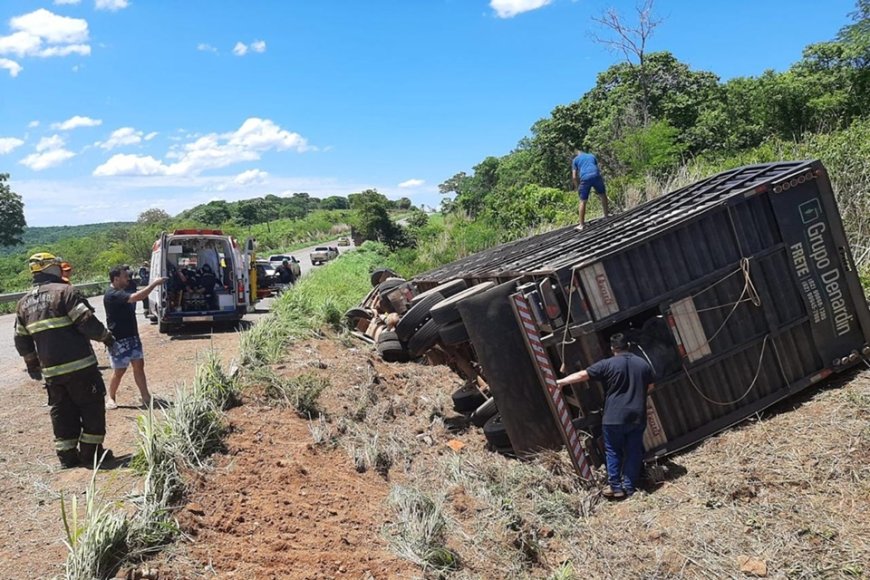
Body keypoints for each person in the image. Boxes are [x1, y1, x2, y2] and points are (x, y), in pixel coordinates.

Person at [14, 252, 116, 469]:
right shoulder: (65, 292)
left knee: (62, 412)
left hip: (52, 373)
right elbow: (86, 322)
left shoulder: (23, 304)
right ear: (52, 269)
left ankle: (67, 457)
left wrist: (33, 365)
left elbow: (21, 340)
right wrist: (107, 338)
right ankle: (92, 454)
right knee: (91, 408)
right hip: (80, 368)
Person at [556, 333, 654, 499]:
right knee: (633, 451)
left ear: (612, 348)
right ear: (628, 345)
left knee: (613, 451)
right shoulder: (643, 364)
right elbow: (650, 387)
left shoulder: (608, 364)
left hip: (613, 417)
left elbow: (582, 375)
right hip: (637, 416)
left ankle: (615, 487)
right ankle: (629, 487)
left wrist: (561, 382)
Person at [103, 265, 167, 410]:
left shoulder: (121, 291)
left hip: (132, 337)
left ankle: (146, 397)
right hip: (119, 340)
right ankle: (111, 397)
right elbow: (139, 296)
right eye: (125, 277)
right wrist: (155, 283)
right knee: (119, 371)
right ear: (116, 278)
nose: (128, 279)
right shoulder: (112, 294)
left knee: (139, 366)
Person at [571, 150, 609, 231]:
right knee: (602, 195)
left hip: (585, 178)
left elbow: (574, 177)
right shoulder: (591, 156)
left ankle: (581, 225)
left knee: (583, 201)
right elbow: (596, 167)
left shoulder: (575, 160)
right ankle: (606, 216)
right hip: (596, 175)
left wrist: (578, 187)